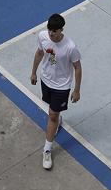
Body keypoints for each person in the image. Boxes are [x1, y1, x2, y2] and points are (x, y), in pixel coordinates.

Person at [30, 13, 81, 171]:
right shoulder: (43, 36)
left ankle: (47, 150)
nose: (51, 33)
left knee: (52, 114)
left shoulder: (70, 47)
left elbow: (77, 67)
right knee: (53, 112)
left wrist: (76, 90)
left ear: (61, 30)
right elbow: (39, 53)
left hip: (62, 86)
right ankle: (57, 119)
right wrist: (33, 72)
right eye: (49, 30)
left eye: (54, 31)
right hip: (46, 80)